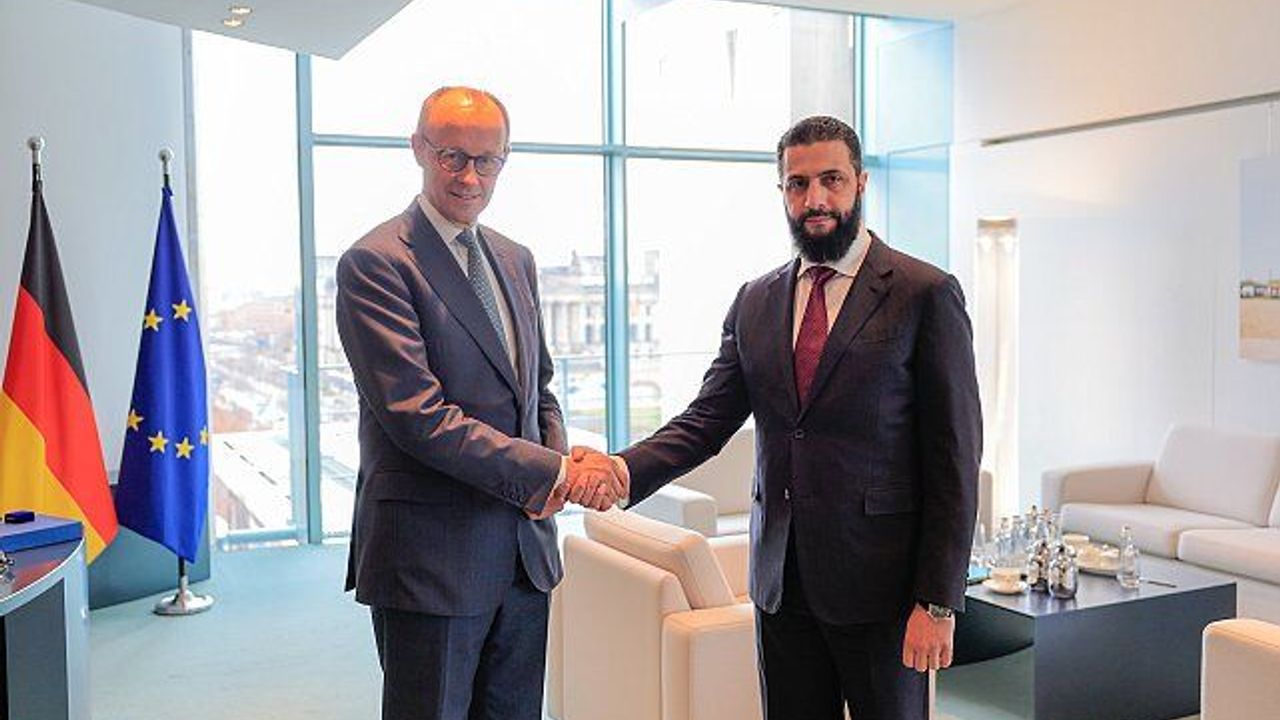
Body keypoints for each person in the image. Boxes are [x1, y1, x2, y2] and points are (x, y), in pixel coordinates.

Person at [573, 115, 981, 720]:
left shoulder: (924, 292)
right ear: (783, 191)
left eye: (831, 180)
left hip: (884, 594)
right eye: (798, 184)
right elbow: (706, 420)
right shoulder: (756, 300)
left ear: (861, 182)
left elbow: (954, 460)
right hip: (780, 585)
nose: (815, 199)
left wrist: (938, 602)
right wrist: (621, 469)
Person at [335, 86, 621, 720]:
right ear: (419, 149)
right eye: (452, 156)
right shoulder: (375, 263)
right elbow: (418, 417)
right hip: (431, 560)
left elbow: (538, 389)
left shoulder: (515, 259)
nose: (470, 176)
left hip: (523, 552)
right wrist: (554, 473)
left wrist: (553, 472)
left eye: (486, 160)